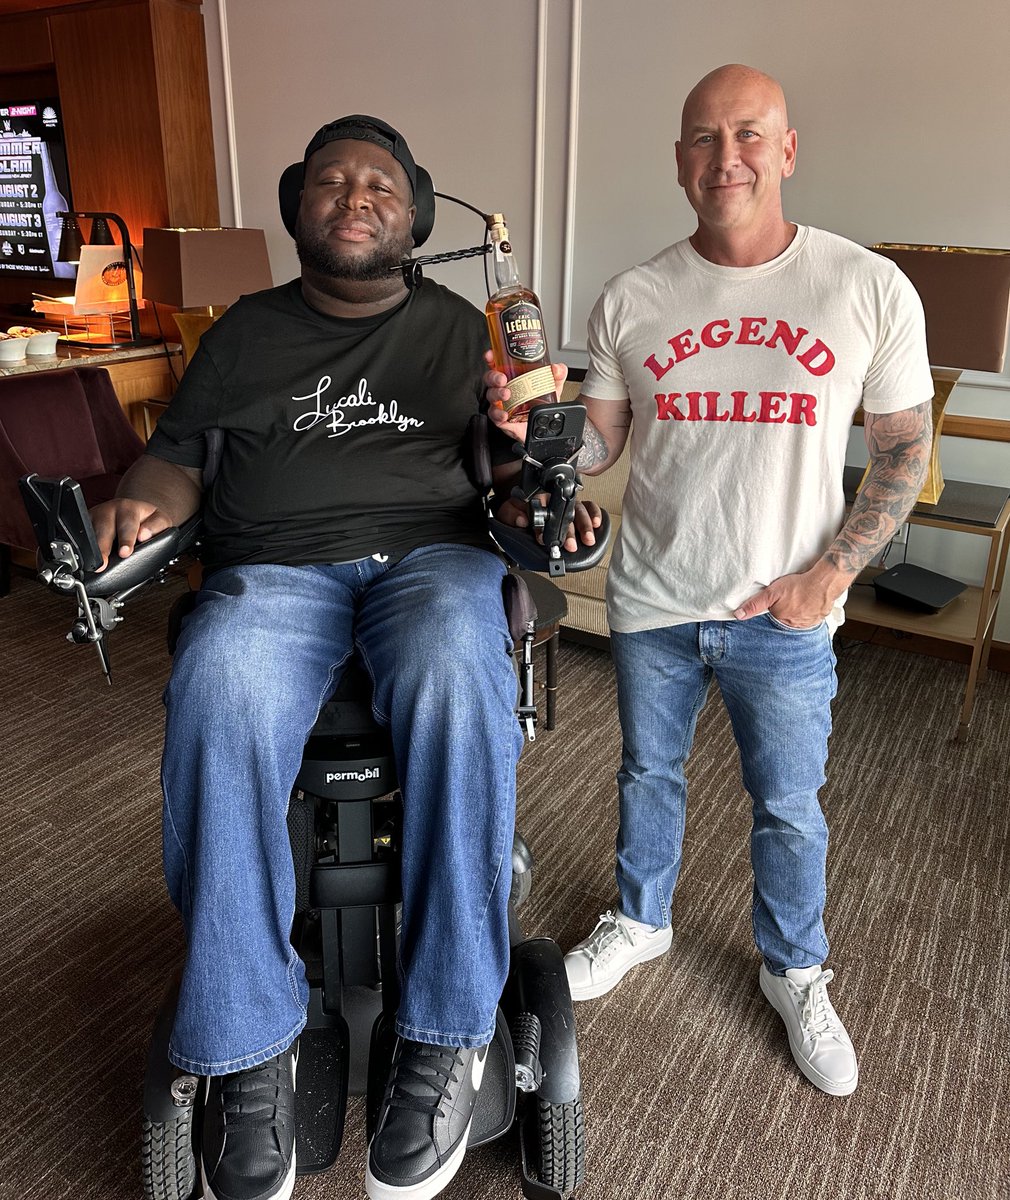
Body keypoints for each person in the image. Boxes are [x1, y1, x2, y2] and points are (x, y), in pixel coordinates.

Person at [91, 115, 586, 1200]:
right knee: (218, 677)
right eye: (330, 180)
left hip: (431, 567)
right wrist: (140, 501)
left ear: (411, 214)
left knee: (461, 665)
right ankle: (249, 1042)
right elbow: (176, 458)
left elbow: (512, 480)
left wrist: (532, 469)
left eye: (377, 183)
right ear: (297, 209)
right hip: (275, 573)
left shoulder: (466, 332)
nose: (354, 194)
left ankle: (447, 1028)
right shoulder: (242, 336)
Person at [488, 64, 933, 1098]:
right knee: (647, 774)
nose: (722, 156)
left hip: (781, 608)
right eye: (701, 138)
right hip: (651, 596)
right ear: (679, 161)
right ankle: (640, 921)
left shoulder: (863, 286)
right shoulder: (632, 297)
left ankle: (793, 970)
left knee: (786, 804)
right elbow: (596, 445)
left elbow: (903, 452)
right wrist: (533, 431)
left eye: (746, 134)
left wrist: (828, 574)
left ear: (785, 150)